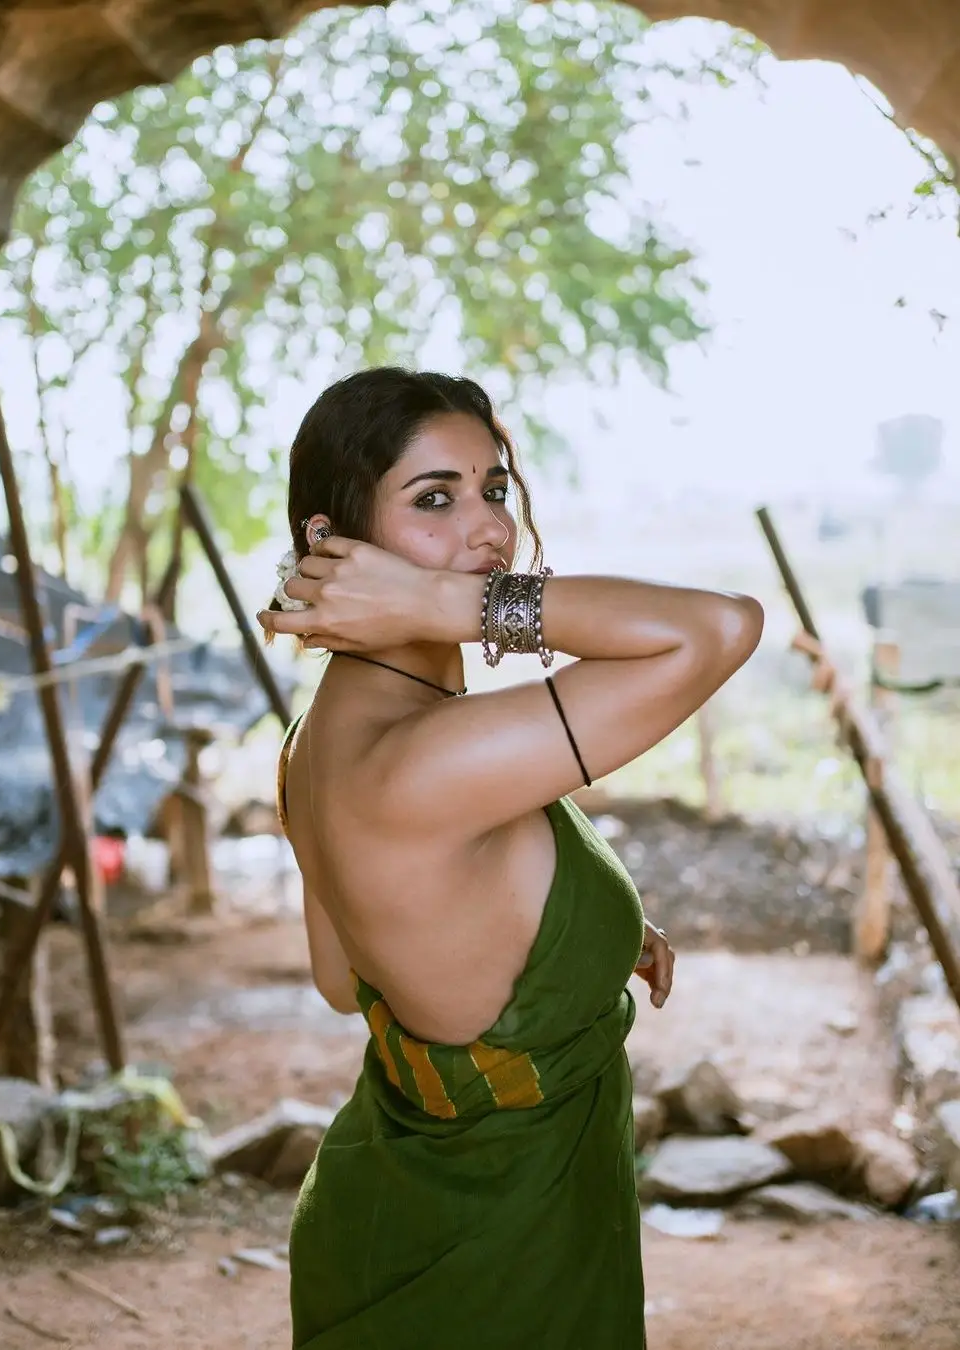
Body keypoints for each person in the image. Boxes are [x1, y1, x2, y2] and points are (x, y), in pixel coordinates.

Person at [257, 368, 763, 1350]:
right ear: (332, 541)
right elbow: (718, 630)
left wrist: (578, 935)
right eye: (434, 499)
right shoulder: (419, 760)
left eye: (493, 489)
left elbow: (343, 975)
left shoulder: (320, 737)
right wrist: (452, 608)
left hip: (396, 1205)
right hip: (492, 1244)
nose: (488, 528)